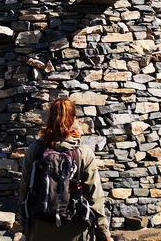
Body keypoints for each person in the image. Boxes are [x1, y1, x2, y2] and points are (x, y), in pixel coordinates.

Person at [20, 97, 111, 241]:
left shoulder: (35, 150)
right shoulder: (83, 153)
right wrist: (103, 233)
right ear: (74, 119)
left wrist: (25, 225)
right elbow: (95, 197)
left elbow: (25, 190)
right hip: (76, 227)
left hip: (40, 227)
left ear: (50, 118)